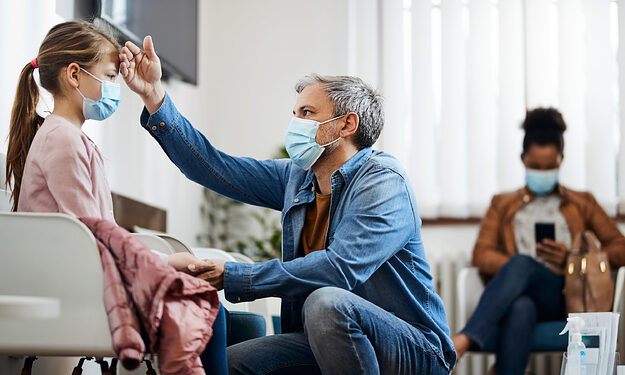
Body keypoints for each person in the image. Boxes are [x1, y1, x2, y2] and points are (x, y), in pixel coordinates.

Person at [119, 35, 456, 375]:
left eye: (307, 113)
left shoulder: (383, 182)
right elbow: (213, 167)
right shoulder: (296, 176)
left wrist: (238, 276)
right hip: (318, 334)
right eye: (294, 113)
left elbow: (341, 269)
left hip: (415, 350)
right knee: (230, 366)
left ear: (347, 124)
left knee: (327, 302)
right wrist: (154, 96)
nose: (295, 124)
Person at [4, 20, 227, 375]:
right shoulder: (63, 140)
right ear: (75, 75)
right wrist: (167, 262)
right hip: (81, 289)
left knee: (234, 323)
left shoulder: (66, 137)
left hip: (86, 279)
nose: (113, 89)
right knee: (209, 309)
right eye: (109, 77)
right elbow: (91, 241)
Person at [452, 108, 625, 375]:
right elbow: (481, 255)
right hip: (519, 297)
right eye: (535, 167)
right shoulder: (502, 204)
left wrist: (572, 259)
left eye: (550, 167)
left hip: (564, 296)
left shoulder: (583, 202)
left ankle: (463, 341)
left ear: (561, 160)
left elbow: (620, 248)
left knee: (522, 267)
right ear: (523, 159)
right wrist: (522, 270)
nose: (543, 172)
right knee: (521, 303)